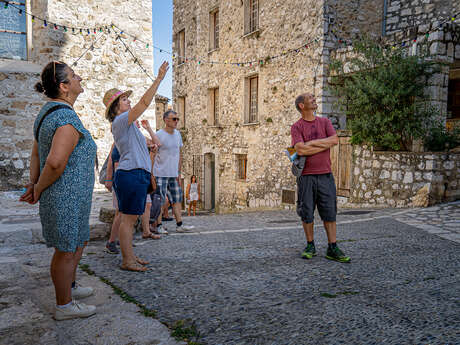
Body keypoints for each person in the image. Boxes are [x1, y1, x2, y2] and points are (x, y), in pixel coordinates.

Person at [20, 61, 97, 320]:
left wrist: (33, 184)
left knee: (77, 241)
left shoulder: (48, 112)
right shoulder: (64, 117)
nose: (80, 78)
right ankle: (64, 305)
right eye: (74, 76)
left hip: (72, 197)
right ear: (64, 87)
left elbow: (35, 153)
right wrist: (39, 188)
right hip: (64, 196)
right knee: (65, 250)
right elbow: (54, 162)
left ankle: (70, 287)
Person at [103, 61, 168, 272]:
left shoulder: (129, 127)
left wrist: (151, 154)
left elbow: (144, 152)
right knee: (128, 221)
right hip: (130, 175)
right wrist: (158, 79)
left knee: (130, 220)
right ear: (116, 107)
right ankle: (127, 260)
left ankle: (130, 255)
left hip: (136, 174)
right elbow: (143, 103)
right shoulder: (120, 121)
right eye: (124, 99)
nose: (128, 101)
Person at [291, 92, 351, 263]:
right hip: (306, 177)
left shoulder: (324, 122)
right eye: (310, 98)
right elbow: (300, 150)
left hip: (325, 175)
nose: (314, 99)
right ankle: (310, 245)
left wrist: (310, 144)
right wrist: (320, 144)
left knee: (330, 212)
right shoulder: (296, 127)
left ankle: (332, 247)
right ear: (302, 105)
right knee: (307, 212)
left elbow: (334, 140)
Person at [154, 110, 191, 233]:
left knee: (177, 199)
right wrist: (152, 173)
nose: (176, 121)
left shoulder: (178, 134)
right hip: (160, 172)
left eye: (177, 119)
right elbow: (153, 154)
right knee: (160, 200)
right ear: (166, 120)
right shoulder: (158, 135)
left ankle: (179, 225)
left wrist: (178, 172)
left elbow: (179, 154)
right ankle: (158, 225)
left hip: (173, 173)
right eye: (174, 119)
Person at [104, 143, 121, 254]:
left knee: (123, 213)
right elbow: (111, 160)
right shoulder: (117, 143)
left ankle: (121, 238)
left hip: (123, 180)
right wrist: (109, 179)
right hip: (119, 181)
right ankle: (111, 241)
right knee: (120, 212)